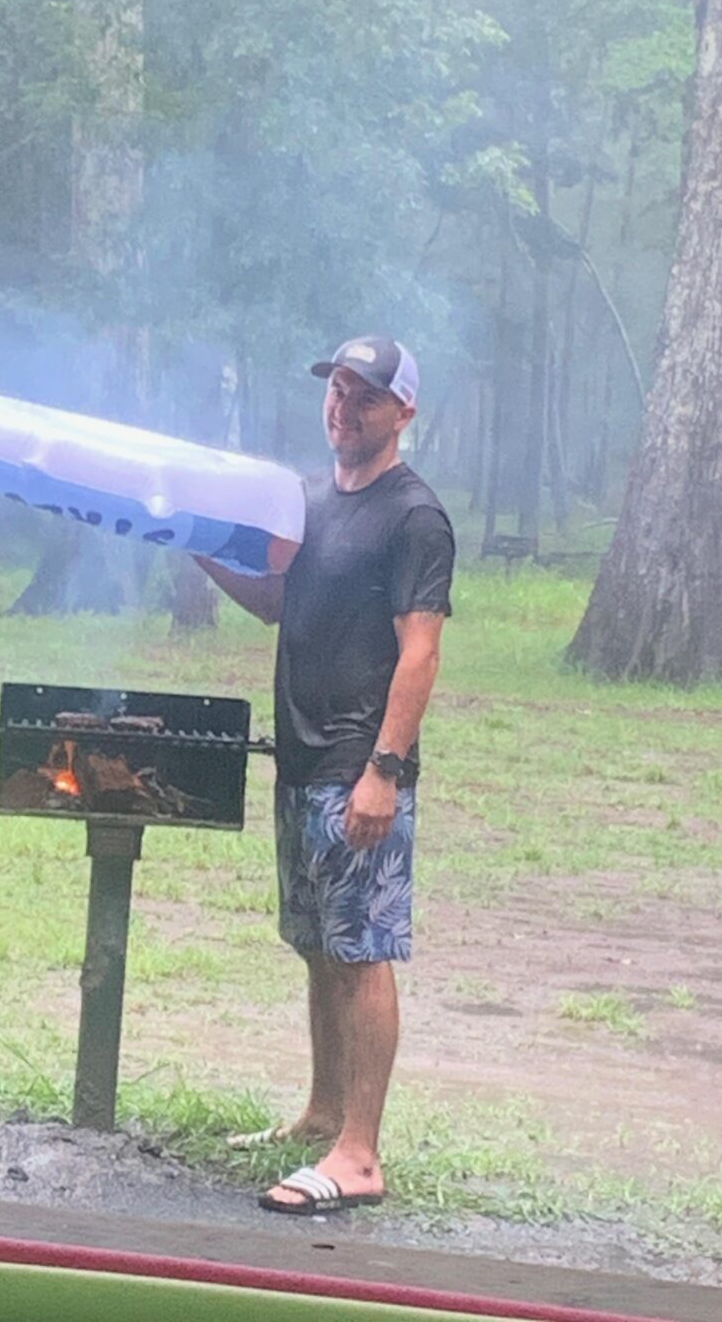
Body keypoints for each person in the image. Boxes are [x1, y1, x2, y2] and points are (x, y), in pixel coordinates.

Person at [198, 336, 454, 1216]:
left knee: (361, 953)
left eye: (365, 396)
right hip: (300, 760)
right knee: (316, 946)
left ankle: (360, 1154)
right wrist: (200, 550)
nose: (343, 407)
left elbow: (419, 653)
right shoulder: (310, 503)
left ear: (402, 414)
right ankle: (321, 1112)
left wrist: (384, 771)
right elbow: (277, 602)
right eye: (337, 390)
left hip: (357, 769)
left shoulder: (415, 517)